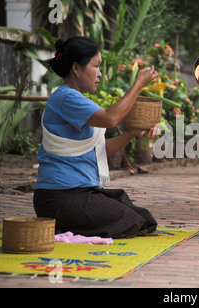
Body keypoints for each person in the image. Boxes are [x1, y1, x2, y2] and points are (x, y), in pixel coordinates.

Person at [33, 37, 160, 238]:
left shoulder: (77, 99)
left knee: (144, 218)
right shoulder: (66, 97)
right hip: (60, 197)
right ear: (76, 68)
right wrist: (138, 84)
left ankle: (66, 227)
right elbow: (111, 119)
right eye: (96, 66)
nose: (99, 73)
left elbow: (100, 149)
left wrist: (132, 133)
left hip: (79, 192)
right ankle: (62, 229)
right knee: (132, 222)